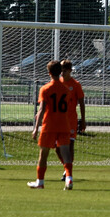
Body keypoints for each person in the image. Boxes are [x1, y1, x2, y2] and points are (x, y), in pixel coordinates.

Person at [28, 60, 72, 190]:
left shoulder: (45, 89)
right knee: (65, 152)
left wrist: (36, 128)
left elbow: (41, 109)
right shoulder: (66, 89)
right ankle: (69, 179)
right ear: (60, 72)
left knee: (44, 153)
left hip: (49, 125)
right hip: (64, 124)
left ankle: (40, 181)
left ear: (49, 73)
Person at [58, 59, 86, 183]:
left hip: (71, 120)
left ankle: (67, 171)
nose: (62, 73)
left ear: (69, 70)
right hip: (58, 119)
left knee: (70, 145)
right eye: (61, 71)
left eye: (64, 71)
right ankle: (66, 166)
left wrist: (83, 119)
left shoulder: (75, 84)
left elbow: (81, 103)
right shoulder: (57, 83)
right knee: (57, 147)